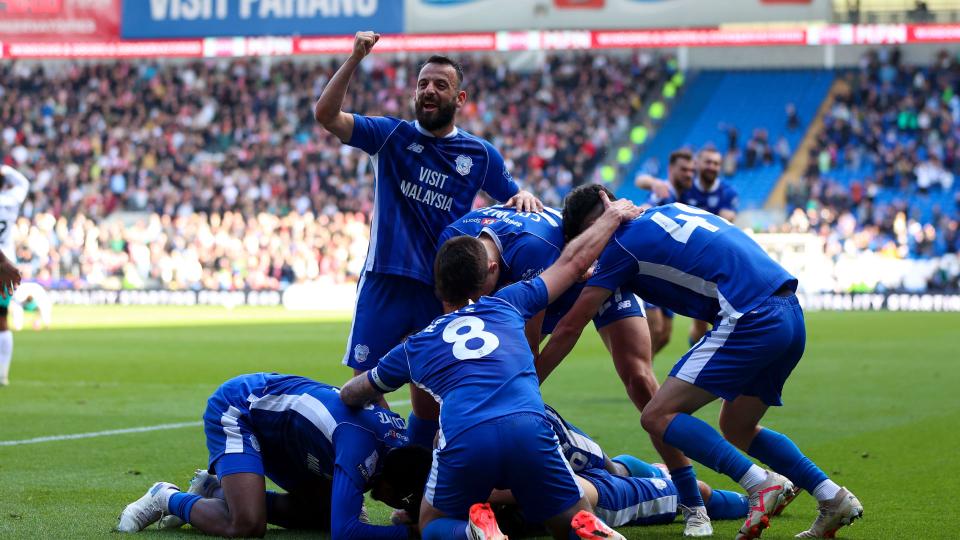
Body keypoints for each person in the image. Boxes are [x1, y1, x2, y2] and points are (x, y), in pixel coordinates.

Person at [540, 185, 864, 539]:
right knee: (738, 425)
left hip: (750, 316)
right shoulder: (668, 210)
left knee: (656, 416)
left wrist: (527, 382)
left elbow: (570, 325)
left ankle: (760, 483)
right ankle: (832, 497)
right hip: (789, 313)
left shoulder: (619, 245)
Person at [339, 191, 638, 540]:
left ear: (438, 289)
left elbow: (356, 390)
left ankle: (471, 531)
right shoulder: (510, 302)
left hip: (467, 436)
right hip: (530, 427)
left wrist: (349, 396)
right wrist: (611, 217)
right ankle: (580, 525)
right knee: (566, 519)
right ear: (487, 275)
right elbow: (572, 263)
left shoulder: (414, 346)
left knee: (431, 523)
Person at [314, 31, 541, 449]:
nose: (429, 91)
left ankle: (416, 480)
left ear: (460, 97)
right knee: (363, 388)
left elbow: (512, 198)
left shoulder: (479, 154)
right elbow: (327, 115)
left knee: (430, 397)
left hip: (443, 290)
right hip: (385, 279)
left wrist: (522, 194)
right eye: (422, 84)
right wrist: (354, 58)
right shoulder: (391, 136)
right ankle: (382, 463)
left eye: (440, 84)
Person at [436, 204, 711, 536]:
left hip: (591, 276)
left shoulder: (534, 251)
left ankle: (692, 497)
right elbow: (454, 314)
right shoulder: (453, 240)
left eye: (479, 292)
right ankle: (643, 474)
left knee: (640, 379)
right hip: (550, 284)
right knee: (597, 469)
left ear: (492, 269)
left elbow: (537, 346)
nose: (474, 303)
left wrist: (512, 401)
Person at [117, 373, 433, 539]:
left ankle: (213, 489)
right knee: (247, 525)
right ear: (390, 484)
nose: (397, 505)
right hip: (241, 408)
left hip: (292, 439)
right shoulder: (359, 451)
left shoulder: (396, 447)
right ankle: (166, 497)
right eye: (402, 500)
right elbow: (346, 532)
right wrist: (412, 534)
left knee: (324, 516)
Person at [633, 149, 696, 355]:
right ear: (671, 170)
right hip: (652, 268)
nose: (689, 174)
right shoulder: (664, 192)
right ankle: (640, 375)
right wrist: (653, 183)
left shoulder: (687, 194)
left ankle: (642, 372)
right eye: (684, 170)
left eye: (691, 170)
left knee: (665, 335)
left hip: (669, 271)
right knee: (656, 327)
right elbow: (643, 197)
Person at [0, 164, 28, 386]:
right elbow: (23, 183)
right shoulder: (11, 200)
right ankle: (3, 373)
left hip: (3, 264)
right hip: (6, 264)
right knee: (2, 320)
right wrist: (5, 168)